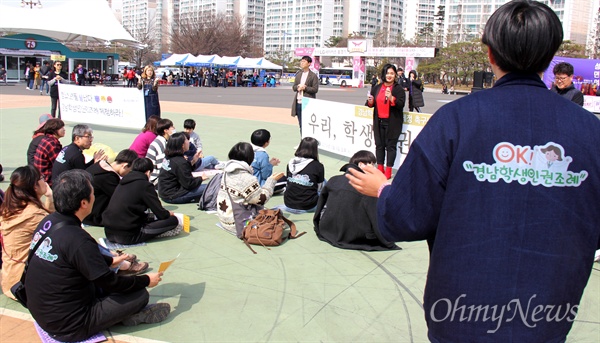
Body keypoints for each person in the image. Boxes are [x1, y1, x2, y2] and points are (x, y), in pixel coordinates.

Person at [346, 1, 600, 340]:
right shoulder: (590, 132)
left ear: (491, 54)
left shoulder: (455, 120)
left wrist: (383, 190)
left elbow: (405, 218)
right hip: (548, 313)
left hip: (460, 312)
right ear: (550, 55)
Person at [25, 170, 170, 342]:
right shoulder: (77, 238)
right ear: (84, 203)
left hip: (43, 311)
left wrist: (110, 260)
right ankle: (128, 315)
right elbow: (110, 282)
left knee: (110, 283)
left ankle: (120, 313)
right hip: (69, 326)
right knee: (139, 295)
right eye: (93, 192)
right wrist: (146, 280)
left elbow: (76, 257)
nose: (95, 196)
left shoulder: (50, 222)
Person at [313, 151, 398, 251]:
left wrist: (319, 226)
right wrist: (387, 242)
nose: (374, 168)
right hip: (353, 236)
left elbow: (320, 207)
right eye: (372, 164)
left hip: (328, 230)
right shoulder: (367, 188)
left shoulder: (334, 180)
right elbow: (374, 217)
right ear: (361, 164)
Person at [0, 166, 54, 299]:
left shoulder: (12, 206)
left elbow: (48, 221)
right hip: (25, 285)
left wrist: (49, 198)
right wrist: (51, 196)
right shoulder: (33, 214)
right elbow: (57, 229)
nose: (45, 180)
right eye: (41, 178)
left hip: (11, 279)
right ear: (34, 186)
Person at [103, 158, 181, 244]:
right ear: (148, 172)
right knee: (173, 220)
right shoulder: (145, 185)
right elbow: (161, 214)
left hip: (109, 232)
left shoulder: (122, 183)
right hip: (128, 235)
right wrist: (168, 213)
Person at [216, 142, 284, 236]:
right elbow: (261, 200)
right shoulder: (246, 178)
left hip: (225, 219)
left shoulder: (226, 172)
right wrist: (271, 181)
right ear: (250, 158)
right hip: (238, 224)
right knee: (277, 216)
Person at [366, 64, 406, 180]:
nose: (389, 76)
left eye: (392, 73)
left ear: (395, 75)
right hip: (379, 121)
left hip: (393, 123)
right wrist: (371, 101)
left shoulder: (398, 89)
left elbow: (401, 104)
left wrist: (391, 97)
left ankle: (388, 172)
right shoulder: (377, 87)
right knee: (379, 146)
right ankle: (380, 169)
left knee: (391, 147)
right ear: (384, 74)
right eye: (387, 73)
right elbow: (370, 104)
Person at [83, 149, 137, 226]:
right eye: (130, 170)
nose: (128, 173)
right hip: (94, 216)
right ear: (124, 166)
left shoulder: (98, 167)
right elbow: (122, 198)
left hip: (85, 212)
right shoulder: (108, 177)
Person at [158, 132, 207, 204]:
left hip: (165, 193)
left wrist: (193, 161)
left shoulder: (170, 157)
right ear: (182, 145)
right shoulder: (180, 161)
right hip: (174, 195)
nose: (188, 141)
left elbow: (182, 172)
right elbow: (189, 184)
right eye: (186, 140)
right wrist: (201, 178)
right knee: (211, 187)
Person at [283, 137, 325, 213]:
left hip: (288, 202)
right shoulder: (318, 166)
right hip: (308, 205)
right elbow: (319, 187)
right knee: (324, 181)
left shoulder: (291, 163)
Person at [250, 129, 286, 193]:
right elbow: (265, 175)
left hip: (245, 183)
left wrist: (268, 163)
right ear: (266, 142)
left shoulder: (246, 149)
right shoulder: (262, 155)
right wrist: (271, 165)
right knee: (284, 179)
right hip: (258, 186)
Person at [291, 56, 319, 135]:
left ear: (309, 63)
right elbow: (294, 87)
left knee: (307, 123)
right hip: (298, 102)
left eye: (304, 61)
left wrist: (305, 88)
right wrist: (298, 87)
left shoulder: (313, 76)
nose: (302, 63)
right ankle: (302, 140)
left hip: (307, 102)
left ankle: (308, 141)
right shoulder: (299, 74)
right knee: (301, 124)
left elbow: (315, 89)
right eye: (301, 61)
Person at [33, 119, 66, 186]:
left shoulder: (46, 139)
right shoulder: (52, 144)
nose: (64, 130)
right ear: (54, 130)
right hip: (47, 178)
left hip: (40, 176)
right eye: (61, 128)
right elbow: (59, 164)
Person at [145, 118, 175, 185]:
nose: (174, 128)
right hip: (156, 179)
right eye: (172, 127)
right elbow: (162, 166)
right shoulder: (160, 144)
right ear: (166, 130)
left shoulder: (163, 141)